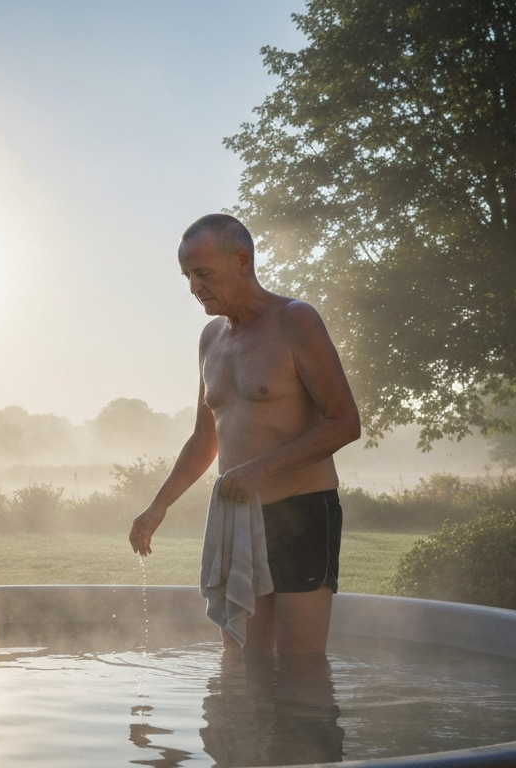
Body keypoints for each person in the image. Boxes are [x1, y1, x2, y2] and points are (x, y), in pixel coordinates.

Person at [129, 213, 361, 658]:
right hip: (240, 520)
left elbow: (345, 421)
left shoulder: (296, 321)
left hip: (302, 513)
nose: (194, 287)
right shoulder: (210, 340)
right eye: (188, 276)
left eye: (203, 273)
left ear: (242, 260)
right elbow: (203, 438)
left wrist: (262, 468)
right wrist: (157, 506)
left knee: (301, 668)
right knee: (242, 663)